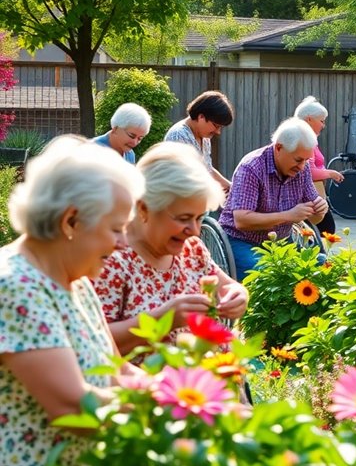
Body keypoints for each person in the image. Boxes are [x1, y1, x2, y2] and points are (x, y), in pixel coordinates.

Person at [0, 137, 145, 466]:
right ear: (71, 221)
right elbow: (72, 407)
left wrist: (184, 390)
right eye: (115, 228)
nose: (124, 244)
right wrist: (175, 410)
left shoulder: (74, 280)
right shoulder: (15, 285)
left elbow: (117, 369)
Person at [93, 143, 249, 354]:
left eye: (199, 218)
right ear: (144, 208)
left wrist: (238, 294)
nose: (194, 231)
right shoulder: (112, 259)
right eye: (183, 219)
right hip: (148, 383)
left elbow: (227, 286)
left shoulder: (191, 248)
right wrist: (162, 320)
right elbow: (94, 343)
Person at [219, 117, 330, 280]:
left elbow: (315, 219)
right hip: (241, 240)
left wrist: (320, 209)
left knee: (321, 264)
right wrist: (289, 215)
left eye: (306, 160)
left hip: (281, 241)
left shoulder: (302, 168)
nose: (302, 166)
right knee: (267, 274)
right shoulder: (251, 167)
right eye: (298, 160)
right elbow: (241, 220)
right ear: (279, 148)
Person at [164, 90, 236, 192]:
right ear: (201, 116)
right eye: (216, 126)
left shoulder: (204, 137)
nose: (218, 132)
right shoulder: (178, 136)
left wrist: (232, 187)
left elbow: (208, 170)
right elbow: (183, 179)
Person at [293, 95, 344, 235]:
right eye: (321, 121)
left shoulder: (308, 139)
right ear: (309, 119)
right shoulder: (304, 140)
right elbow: (308, 171)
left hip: (316, 192)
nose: (323, 125)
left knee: (323, 230)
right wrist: (330, 173)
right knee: (325, 230)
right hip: (310, 193)